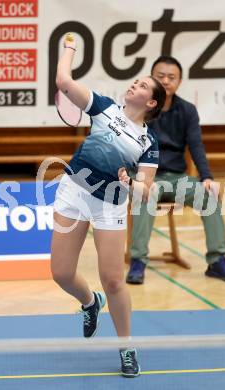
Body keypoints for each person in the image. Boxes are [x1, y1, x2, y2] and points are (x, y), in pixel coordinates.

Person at [51, 33, 166, 378]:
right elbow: (62, 81)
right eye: (136, 81)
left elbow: (146, 189)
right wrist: (69, 48)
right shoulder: (103, 107)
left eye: (143, 85)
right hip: (73, 191)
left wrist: (131, 183)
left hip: (110, 205)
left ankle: (127, 347)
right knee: (61, 273)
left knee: (114, 280)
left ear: (152, 103)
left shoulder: (149, 143)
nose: (135, 85)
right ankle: (90, 302)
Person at [126, 56, 225, 285]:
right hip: (146, 178)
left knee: (208, 194)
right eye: (160, 77)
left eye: (172, 77)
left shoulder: (187, 110)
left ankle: (217, 260)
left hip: (177, 178)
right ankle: (138, 260)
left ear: (179, 82)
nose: (166, 81)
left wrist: (207, 177)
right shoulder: (140, 107)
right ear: (151, 79)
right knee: (145, 194)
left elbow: (196, 146)